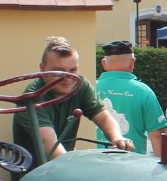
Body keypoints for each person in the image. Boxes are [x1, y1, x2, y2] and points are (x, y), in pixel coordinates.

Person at [12, 36, 133, 165]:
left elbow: (104, 118)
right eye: (59, 72)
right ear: (43, 69)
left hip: (64, 167)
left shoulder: (80, 85)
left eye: (72, 70)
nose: (67, 78)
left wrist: (117, 137)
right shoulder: (32, 99)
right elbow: (50, 145)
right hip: (35, 177)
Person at [95, 40, 167, 155]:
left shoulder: (90, 89)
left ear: (103, 64)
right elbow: (157, 134)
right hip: (132, 166)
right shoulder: (144, 92)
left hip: (92, 163)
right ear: (132, 62)